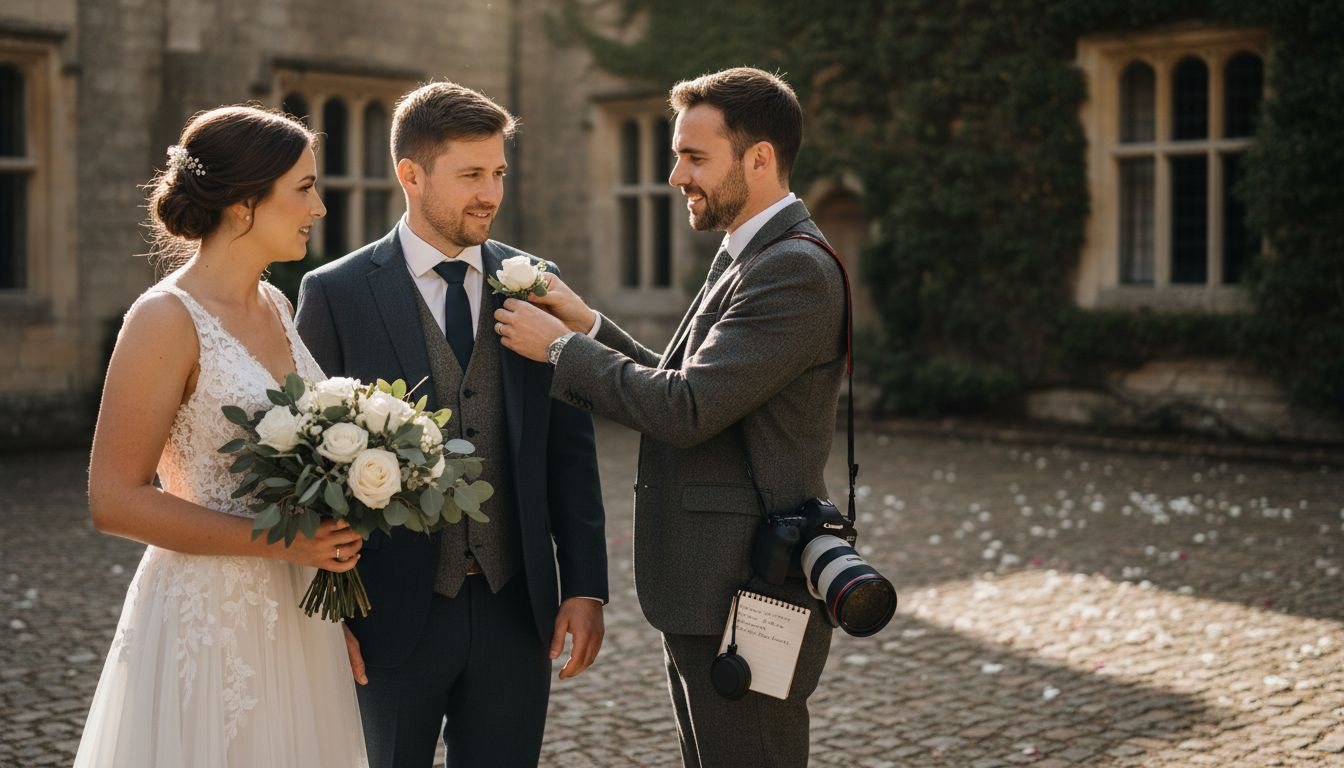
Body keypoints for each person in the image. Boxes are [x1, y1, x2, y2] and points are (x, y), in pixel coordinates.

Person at [495, 67, 847, 767]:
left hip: (746, 586)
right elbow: (696, 384)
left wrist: (561, 351)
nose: (673, 175)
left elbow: (685, 410)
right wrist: (590, 324)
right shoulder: (751, 254)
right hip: (708, 584)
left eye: (694, 156)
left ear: (759, 158)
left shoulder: (792, 269)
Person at [294, 81, 608, 768]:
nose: (490, 193)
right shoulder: (335, 293)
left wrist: (584, 586)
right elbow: (305, 471)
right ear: (410, 174)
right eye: (470, 174)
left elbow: (570, 454)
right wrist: (323, 616)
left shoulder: (537, 282)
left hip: (514, 609)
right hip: (388, 614)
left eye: (498, 172)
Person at [76, 106, 368, 767]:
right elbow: (114, 498)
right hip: (209, 620)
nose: (319, 207)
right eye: (303, 188)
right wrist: (284, 541)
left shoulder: (277, 305)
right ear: (243, 205)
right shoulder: (164, 319)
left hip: (299, 612)